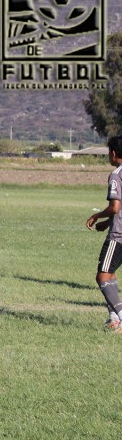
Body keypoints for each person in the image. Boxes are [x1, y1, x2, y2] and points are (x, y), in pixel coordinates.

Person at [85, 136, 122, 332]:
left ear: (113, 154)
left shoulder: (116, 175)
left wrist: (97, 216)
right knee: (111, 273)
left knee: (102, 277)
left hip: (119, 235)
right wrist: (107, 222)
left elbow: (115, 207)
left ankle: (120, 316)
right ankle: (113, 318)